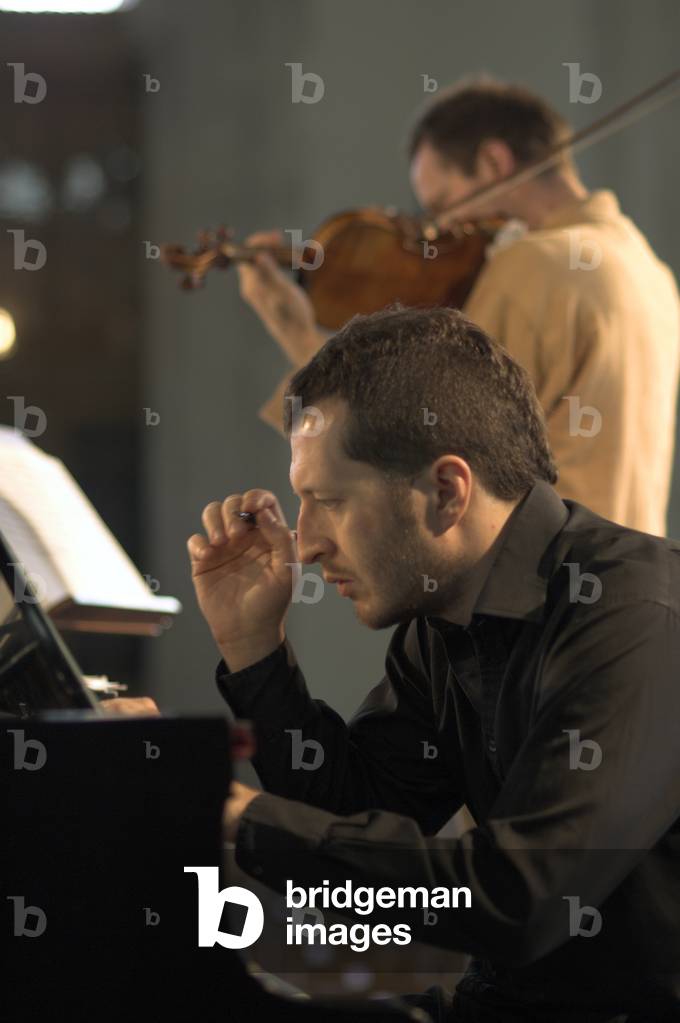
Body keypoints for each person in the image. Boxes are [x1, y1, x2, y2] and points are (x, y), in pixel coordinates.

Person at [188, 307, 680, 1022]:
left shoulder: (637, 616)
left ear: (448, 490)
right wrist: (252, 645)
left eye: (328, 500)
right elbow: (354, 817)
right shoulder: (440, 623)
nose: (306, 542)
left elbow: (522, 898)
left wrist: (244, 817)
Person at [237, 77, 680, 536]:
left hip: (546, 588)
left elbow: (414, 447)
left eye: (443, 204)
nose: (441, 231)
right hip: (632, 575)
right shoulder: (647, 267)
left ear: (493, 162)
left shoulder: (530, 265)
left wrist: (296, 331)